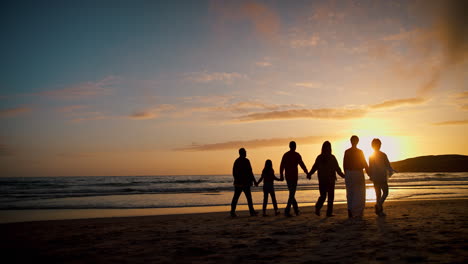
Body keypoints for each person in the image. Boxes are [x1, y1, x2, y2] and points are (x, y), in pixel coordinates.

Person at [307, 141, 345, 217]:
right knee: (326, 196)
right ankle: (321, 209)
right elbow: (315, 167)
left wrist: (310, 174)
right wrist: (310, 173)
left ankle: (324, 210)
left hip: (325, 180)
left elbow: (337, 168)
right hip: (327, 180)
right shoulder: (329, 157)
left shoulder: (323, 157)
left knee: (326, 196)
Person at [343, 135, 369, 218]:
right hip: (358, 173)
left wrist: (346, 174)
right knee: (360, 192)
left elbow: (344, 164)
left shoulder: (347, 151)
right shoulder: (359, 152)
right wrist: (369, 173)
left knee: (350, 192)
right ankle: (358, 211)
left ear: (351, 141)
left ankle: (350, 210)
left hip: (349, 173)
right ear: (357, 142)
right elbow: (364, 163)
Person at [280, 141, 308, 217]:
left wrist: (281, 175)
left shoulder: (286, 155)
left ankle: (296, 210)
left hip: (289, 176)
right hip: (292, 177)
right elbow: (302, 164)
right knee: (292, 194)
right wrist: (307, 172)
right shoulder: (296, 155)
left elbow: (282, 166)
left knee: (292, 194)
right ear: (295, 147)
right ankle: (287, 210)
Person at [369, 138, 396, 216]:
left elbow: (370, 167)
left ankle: (379, 211)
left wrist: (370, 175)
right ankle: (379, 206)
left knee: (378, 194)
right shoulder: (383, 155)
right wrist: (391, 171)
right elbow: (388, 165)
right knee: (385, 192)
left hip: (375, 177)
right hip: (382, 176)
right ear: (379, 145)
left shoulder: (371, 156)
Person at [230, 148, 258, 217]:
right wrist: (254, 181)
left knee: (236, 198)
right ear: (242, 153)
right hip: (245, 183)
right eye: (245, 152)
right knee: (248, 198)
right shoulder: (246, 161)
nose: (246, 153)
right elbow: (250, 172)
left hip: (238, 183)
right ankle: (252, 212)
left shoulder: (237, 161)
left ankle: (232, 212)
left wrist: (237, 180)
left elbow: (234, 173)